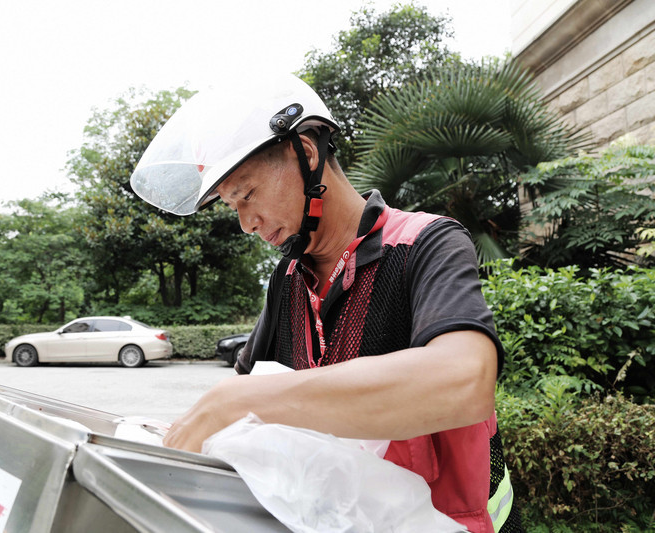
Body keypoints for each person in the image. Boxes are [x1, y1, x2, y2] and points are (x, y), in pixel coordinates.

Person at [131, 74, 523, 532]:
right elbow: (239, 413)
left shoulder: (426, 242)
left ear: (307, 152)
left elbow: (463, 381)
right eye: (230, 204)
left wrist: (239, 399)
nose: (245, 223)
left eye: (248, 195)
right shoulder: (289, 280)